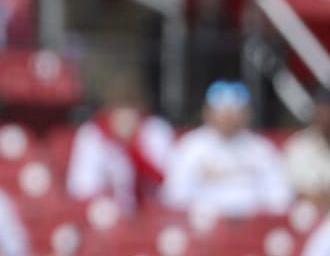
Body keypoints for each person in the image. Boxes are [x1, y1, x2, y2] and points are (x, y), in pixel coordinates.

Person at [162, 81, 294, 217]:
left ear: (247, 114)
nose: (228, 118)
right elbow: (175, 194)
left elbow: (280, 195)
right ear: (207, 112)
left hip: (253, 221)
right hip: (202, 222)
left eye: (234, 112)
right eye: (222, 112)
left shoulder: (261, 148)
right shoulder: (191, 146)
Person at [67, 86, 174, 210]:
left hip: (152, 210)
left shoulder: (155, 130)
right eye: (119, 108)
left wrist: (133, 147)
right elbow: (82, 189)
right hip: (110, 211)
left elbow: (172, 182)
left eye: (131, 107)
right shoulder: (92, 134)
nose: (125, 116)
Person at [285, 87, 330, 206]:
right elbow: (297, 190)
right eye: (321, 111)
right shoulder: (299, 144)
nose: (326, 117)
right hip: (309, 209)